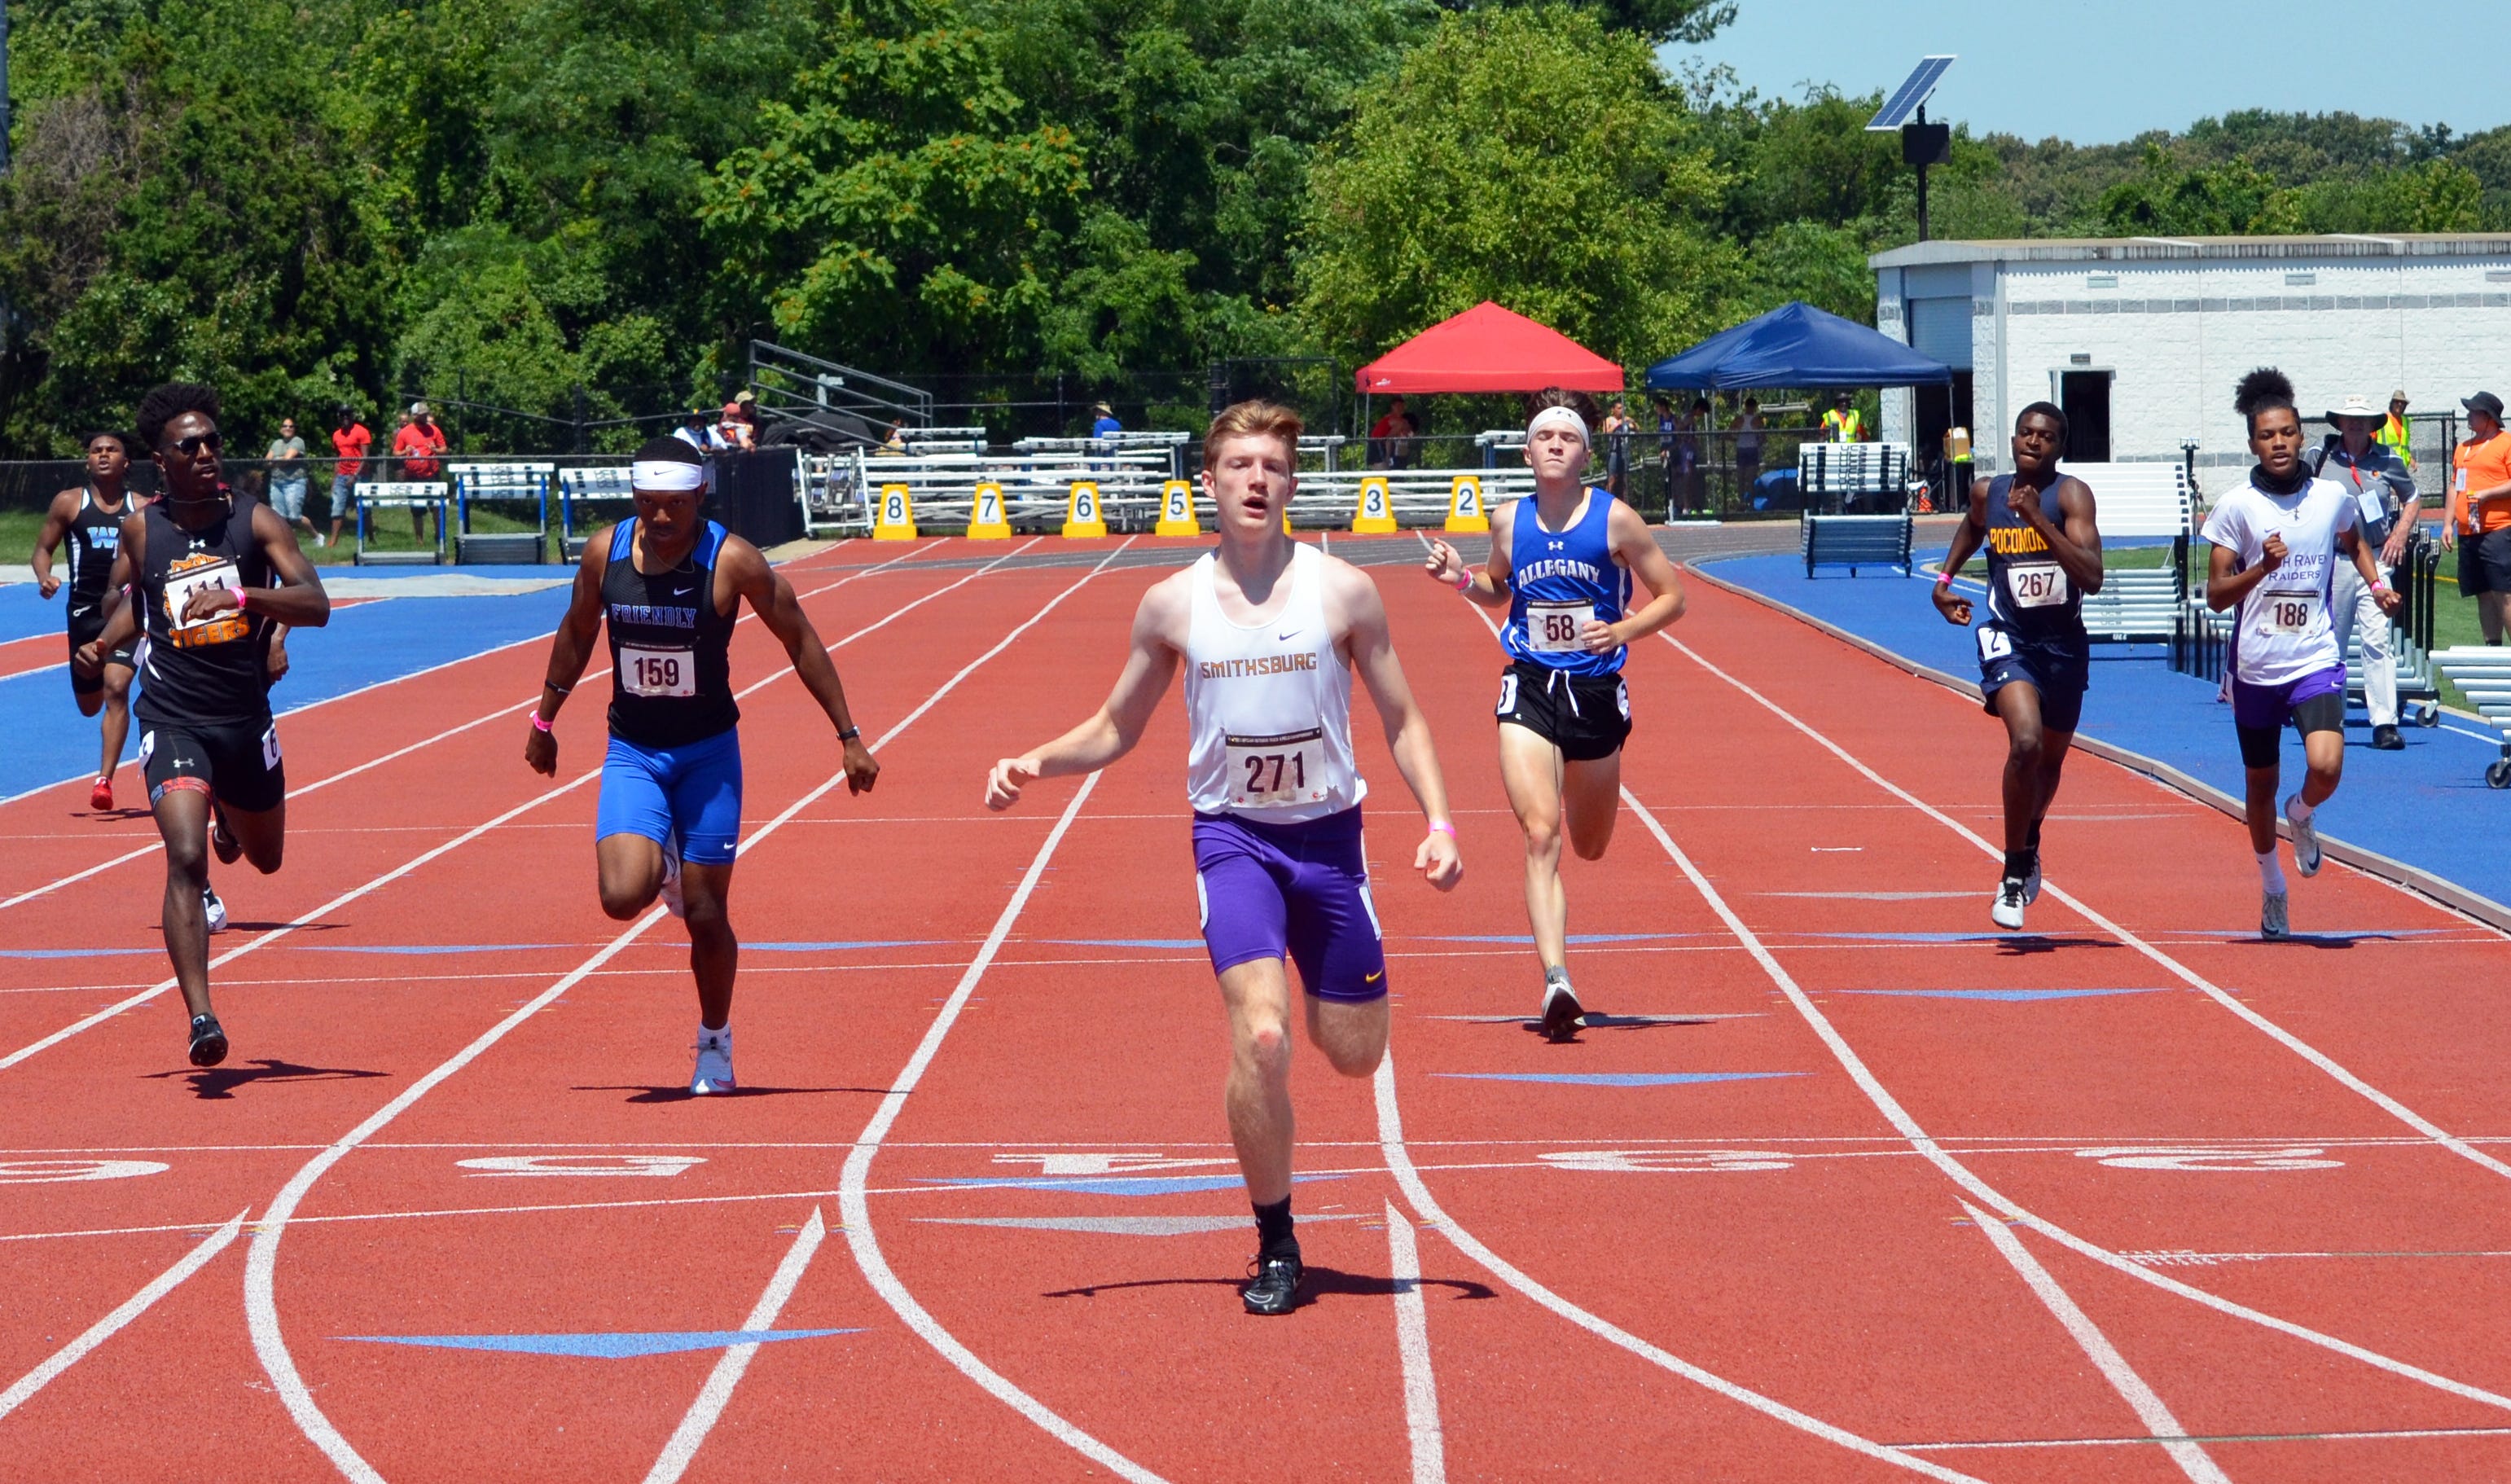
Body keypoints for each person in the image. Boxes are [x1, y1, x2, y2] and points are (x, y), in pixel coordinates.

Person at [986, 400, 1464, 1316]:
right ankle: (1276, 1241)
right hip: (1233, 838)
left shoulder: (1343, 591)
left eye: (1272, 467)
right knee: (1262, 1034)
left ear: (1292, 485)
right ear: (1208, 482)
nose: (1256, 480)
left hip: (1329, 841)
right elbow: (1116, 724)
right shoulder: (1172, 604)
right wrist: (1034, 762)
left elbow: (1403, 719)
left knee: (1354, 1053)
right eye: (1239, 465)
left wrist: (1439, 822)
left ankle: (1331, 995)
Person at [526, 438, 879, 1095]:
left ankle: (714, 1042)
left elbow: (798, 637)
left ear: (700, 497)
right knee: (619, 899)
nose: (661, 518)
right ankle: (662, 863)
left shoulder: (732, 560)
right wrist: (544, 721)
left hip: (708, 755)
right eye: (648, 504)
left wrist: (848, 736)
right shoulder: (605, 552)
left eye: (676, 505)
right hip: (634, 749)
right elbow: (577, 631)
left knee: (707, 914)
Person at [1422, 389, 1688, 1040]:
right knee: (1540, 834)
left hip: (1593, 693)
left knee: (1589, 845)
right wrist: (1462, 579)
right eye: (1544, 437)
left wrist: (1621, 631)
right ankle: (1556, 979)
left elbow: (1672, 597)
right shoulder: (1507, 520)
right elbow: (1498, 589)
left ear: (1585, 455)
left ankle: (1576, 785)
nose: (1554, 446)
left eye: (1567, 439)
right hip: (1529, 686)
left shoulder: (1616, 520)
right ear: (1526, 452)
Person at [85, 382, 331, 1067]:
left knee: (266, 858)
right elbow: (139, 604)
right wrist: (102, 642)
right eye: (189, 446)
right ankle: (201, 1016)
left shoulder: (254, 522)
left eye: (212, 443)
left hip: (244, 718)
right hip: (172, 716)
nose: (204, 454)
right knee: (187, 858)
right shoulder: (143, 529)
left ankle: (230, 815)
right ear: (161, 461)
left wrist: (245, 598)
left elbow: (315, 602)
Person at [2202, 369, 2402, 942]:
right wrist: (2261, 569)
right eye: (2267, 435)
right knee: (2258, 783)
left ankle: (2302, 812)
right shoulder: (2236, 508)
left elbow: (2352, 540)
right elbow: (2215, 595)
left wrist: (2376, 583)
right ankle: (2272, 886)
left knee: (2326, 766)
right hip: (2255, 667)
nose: (2279, 443)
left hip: (2313, 657)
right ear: (2252, 444)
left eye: (2287, 433)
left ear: (2301, 436)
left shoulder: (2330, 496)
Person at [1930, 403, 2101, 929]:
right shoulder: (1989, 491)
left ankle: (2028, 840)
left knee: (2048, 763)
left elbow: (2092, 576)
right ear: (2012, 441)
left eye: (2045, 436)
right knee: (2024, 742)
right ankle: (2011, 872)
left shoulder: (2070, 496)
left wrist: (2037, 521)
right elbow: (1972, 525)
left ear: (2059, 447)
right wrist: (1944, 582)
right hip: (2010, 637)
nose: (2033, 442)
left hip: (2063, 644)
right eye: (2025, 433)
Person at [33, 432, 149, 810]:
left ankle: (104, 781)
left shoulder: (142, 508)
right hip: (83, 615)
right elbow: (42, 549)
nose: (103, 455)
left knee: (117, 688)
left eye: (111, 450)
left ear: (125, 462)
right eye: (96, 450)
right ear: (87, 461)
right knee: (89, 705)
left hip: (126, 612)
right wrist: (44, 576)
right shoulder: (69, 503)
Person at [2311, 394, 2419, 749]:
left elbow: (2412, 496)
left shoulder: (2387, 459)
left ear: (2373, 424)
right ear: (2339, 422)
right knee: (2333, 640)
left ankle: (2385, 722)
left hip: (2375, 557)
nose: (2356, 423)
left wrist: (2401, 532)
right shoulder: (2320, 457)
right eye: (2349, 418)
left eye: (2363, 418)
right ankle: (2332, 720)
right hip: (2335, 559)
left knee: (2377, 640)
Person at [2447, 390, 2511, 645]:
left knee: (2504, 593)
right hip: (2468, 532)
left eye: (2473, 412)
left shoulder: (2505, 443)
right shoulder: (2463, 448)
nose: (2468, 416)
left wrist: (2487, 494)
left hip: (2499, 530)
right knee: (2482, 593)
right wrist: (2447, 524)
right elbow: (2454, 485)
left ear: (2488, 417)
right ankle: (2493, 649)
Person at [393, 402, 448, 542]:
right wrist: (405, 452)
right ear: (414, 416)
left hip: (431, 474)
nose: (424, 417)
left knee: (436, 506)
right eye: (422, 415)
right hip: (413, 476)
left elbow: (444, 449)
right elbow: (396, 452)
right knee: (417, 510)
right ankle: (419, 540)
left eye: (426, 414)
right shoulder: (405, 432)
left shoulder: (434, 430)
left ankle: (439, 535)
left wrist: (435, 450)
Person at [265, 418, 319, 546]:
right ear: (281, 429)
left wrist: (276, 460)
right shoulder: (276, 443)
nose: (288, 428)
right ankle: (285, 543)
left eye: (291, 426)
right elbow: (266, 462)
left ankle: (317, 536)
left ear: (294, 429)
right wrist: (279, 460)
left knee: (295, 517)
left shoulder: (298, 441)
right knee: (279, 518)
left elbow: (287, 460)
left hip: (294, 482)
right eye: (285, 426)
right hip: (276, 482)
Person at [326, 406, 371, 551]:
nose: (345, 417)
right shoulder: (336, 435)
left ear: (352, 416)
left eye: (348, 415)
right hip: (342, 475)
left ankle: (370, 536)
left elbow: (365, 457)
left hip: (360, 475)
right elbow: (338, 457)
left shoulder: (362, 432)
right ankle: (333, 541)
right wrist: (334, 479)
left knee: (364, 509)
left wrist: (355, 475)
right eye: (342, 415)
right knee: (338, 507)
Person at [1368, 397, 1414, 471]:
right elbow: (1389, 439)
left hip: (1380, 444)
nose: (1400, 408)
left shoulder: (1398, 420)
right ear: (1393, 406)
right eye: (1398, 406)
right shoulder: (1398, 422)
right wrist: (1387, 457)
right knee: (1382, 470)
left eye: (1402, 406)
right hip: (1378, 444)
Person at [1599, 398, 1631, 499]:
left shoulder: (1626, 420)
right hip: (1614, 452)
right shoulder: (1609, 420)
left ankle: (1624, 502)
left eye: (1623, 408)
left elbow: (1637, 429)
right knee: (1612, 479)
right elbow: (1606, 432)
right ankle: (1606, 500)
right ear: (1613, 410)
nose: (1622, 410)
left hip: (1624, 452)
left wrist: (1633, 423)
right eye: (1619, 408)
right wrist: (1618, 424)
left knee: (1624, 479)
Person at [1733, 395, 1764, 499]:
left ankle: (1743, 502)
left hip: (1742, 448)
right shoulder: (1757, 420)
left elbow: (1728, 434)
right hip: (1751, 449)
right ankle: (1749, 503)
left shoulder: (1739, 419)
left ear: (1745, 406)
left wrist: (1736, 439)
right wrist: (1758, 443)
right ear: (1755, 407)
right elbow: (1763, 437)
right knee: (1750, 479)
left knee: (1741, 479)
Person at [2377, 390, 2416, 473]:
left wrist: (2410, 459)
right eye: (2397, 402)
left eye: (2402, 403)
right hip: (2386, 466)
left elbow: (2405, 445)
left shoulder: (2406, 421)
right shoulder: (2382, 419)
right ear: (2392, 403)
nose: (2400, 404)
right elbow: (2371, 442)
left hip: (2402, 467)